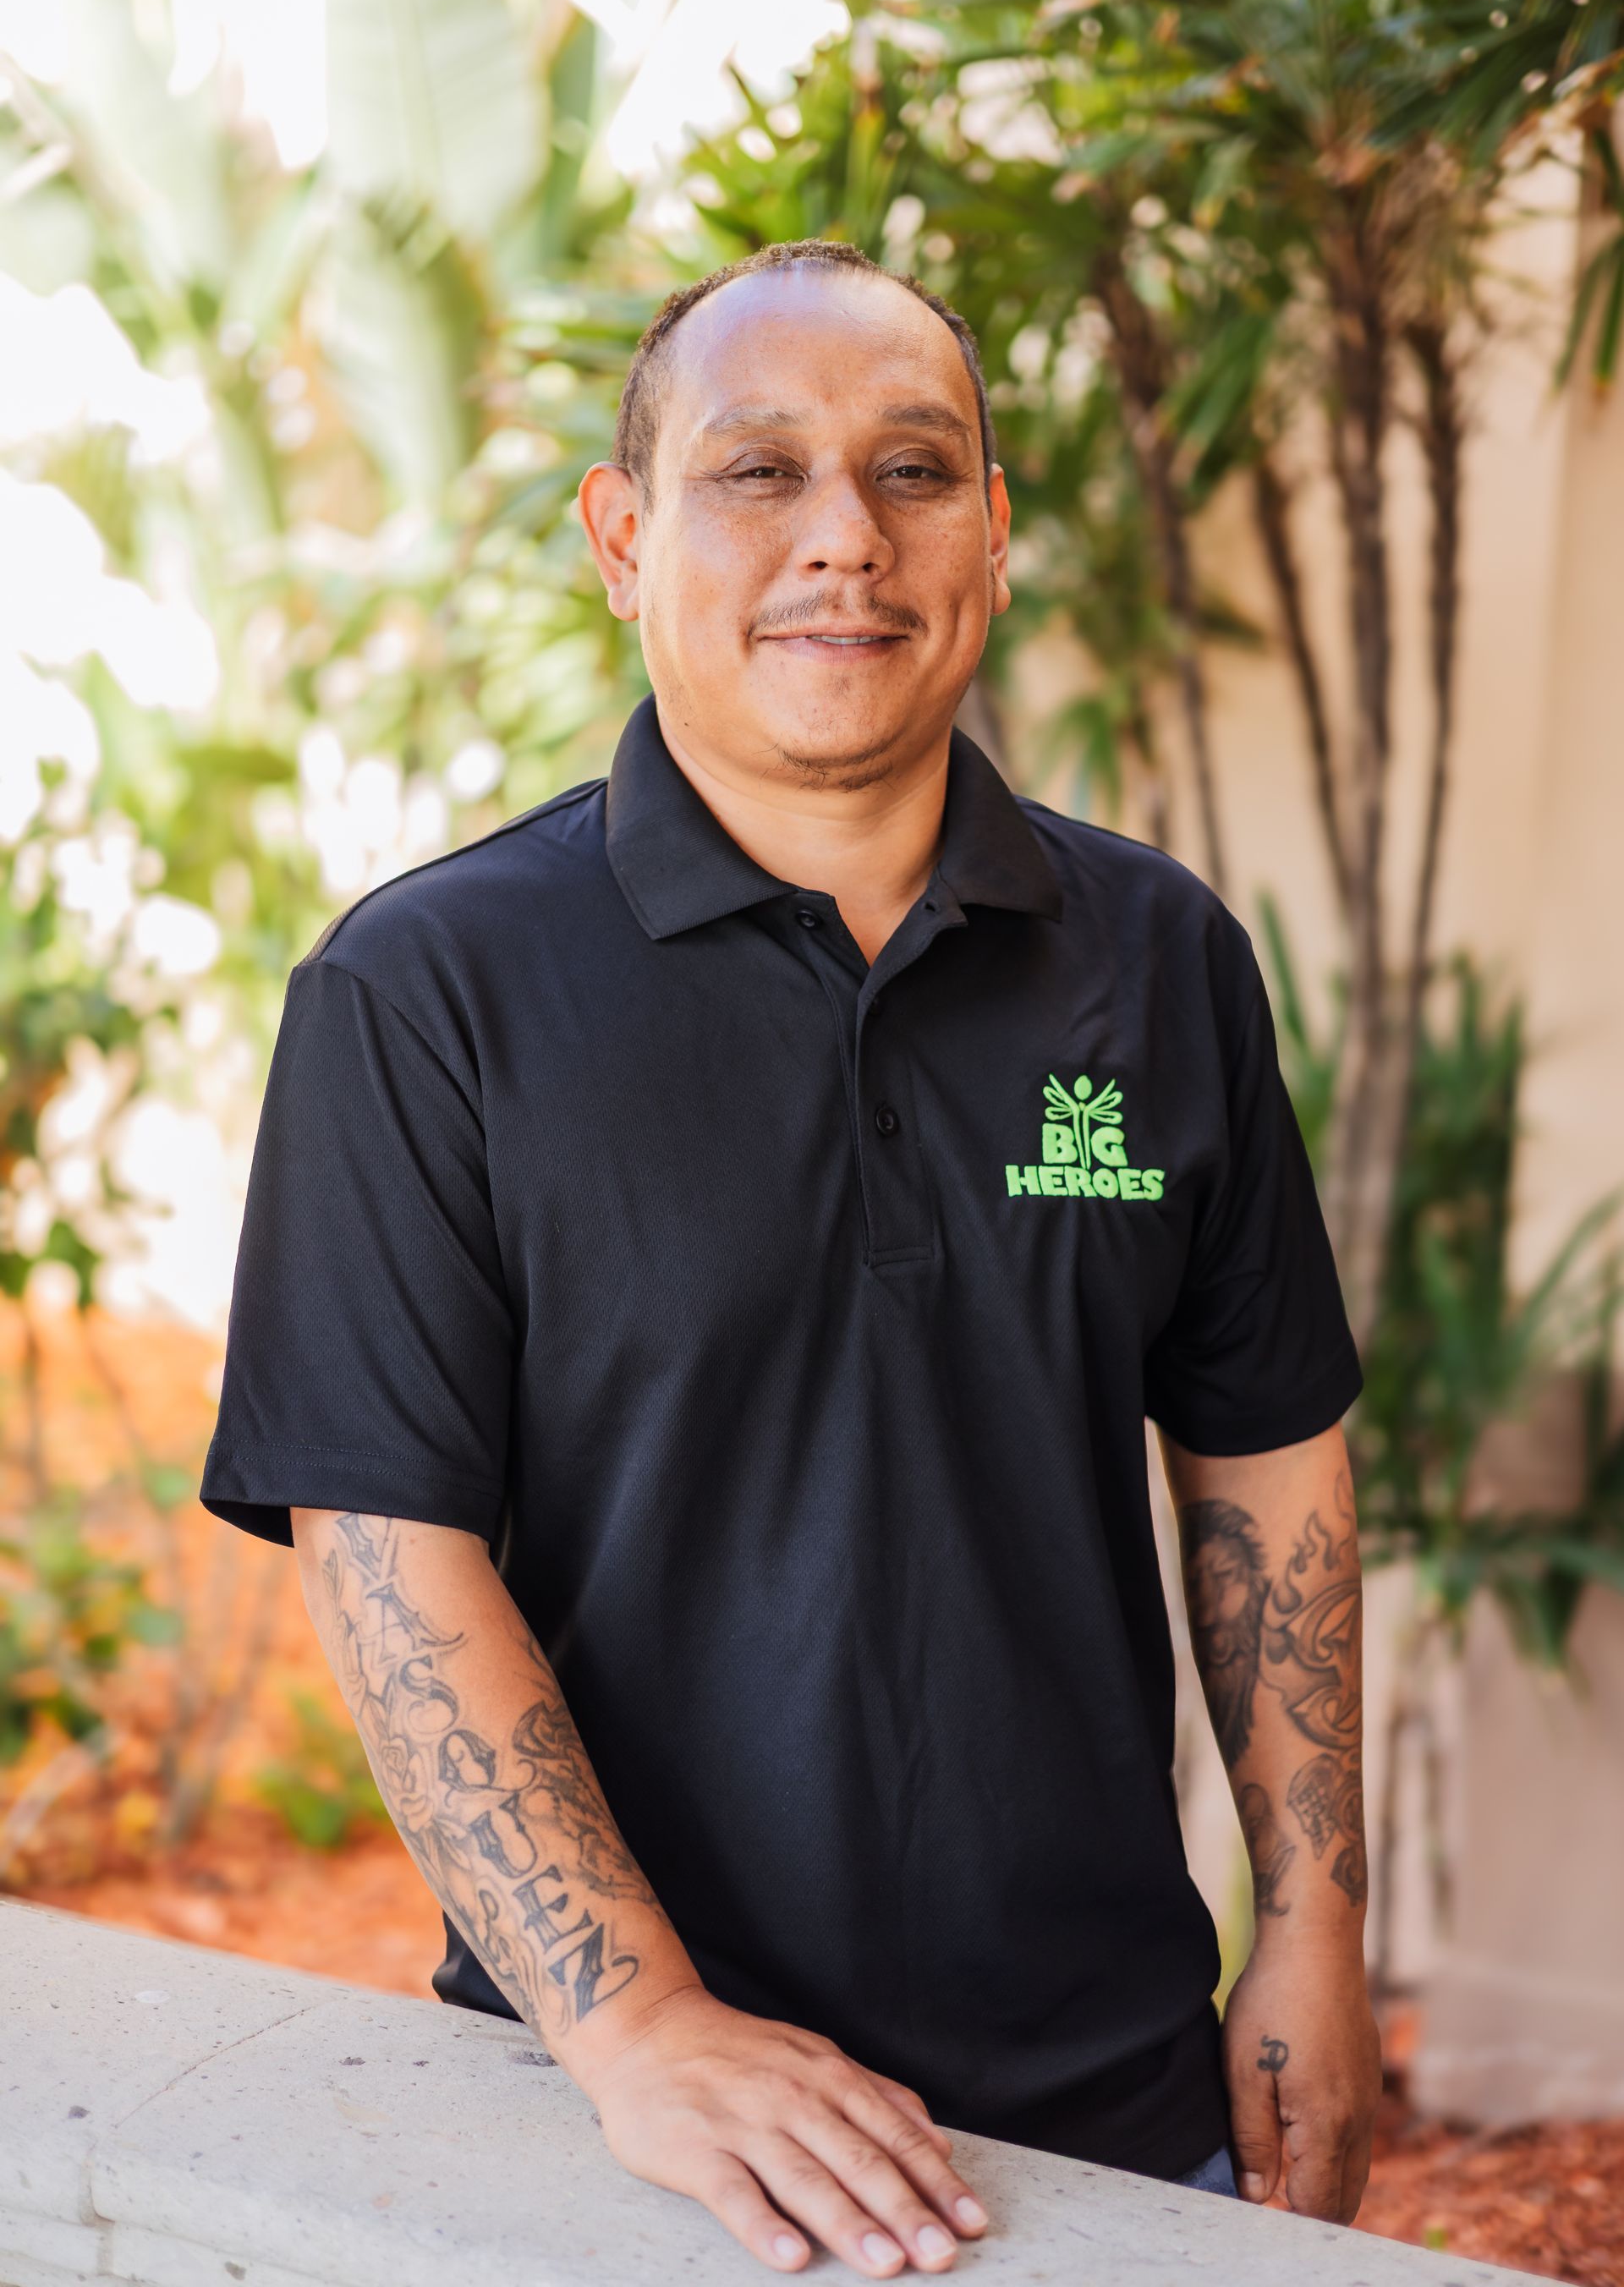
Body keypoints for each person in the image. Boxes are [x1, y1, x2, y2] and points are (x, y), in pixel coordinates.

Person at [201, 239, 1380, 2277]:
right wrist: (646, 2026)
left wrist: (1321, 1930)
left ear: (994, 539)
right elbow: (387, 1548)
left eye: (916, 471)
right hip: (624, 2144)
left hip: (1119, 2119)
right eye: (760, 473)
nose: (848, 538)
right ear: (622, 533)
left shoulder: (1160, 959)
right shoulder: (426, 995)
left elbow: (1261, 1457)